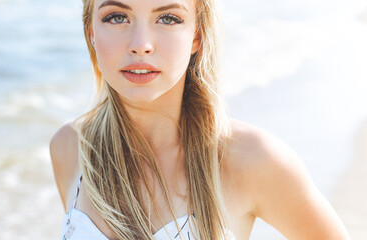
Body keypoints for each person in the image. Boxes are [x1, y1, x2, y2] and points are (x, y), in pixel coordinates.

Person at [50, 0, 350, 239]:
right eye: (116, 17)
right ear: (91, 30)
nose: (140, 44)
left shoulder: (251, 159)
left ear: (197, 34)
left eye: (168, 18)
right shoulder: (69, 148)